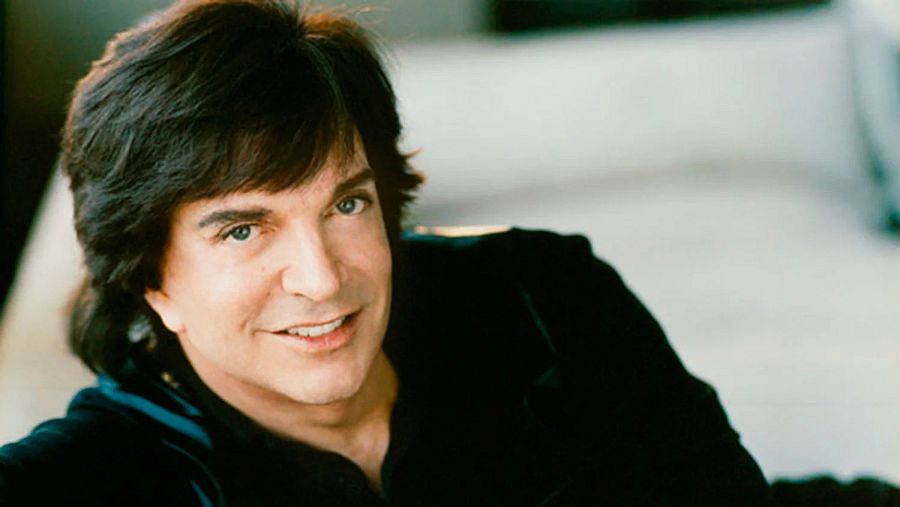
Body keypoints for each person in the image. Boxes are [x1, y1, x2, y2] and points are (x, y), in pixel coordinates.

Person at [0, 0, 774, 504]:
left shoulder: (549, 300)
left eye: (346, 204)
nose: (321, 277)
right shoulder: (85, 481)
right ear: (150, 277)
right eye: (243, 229)